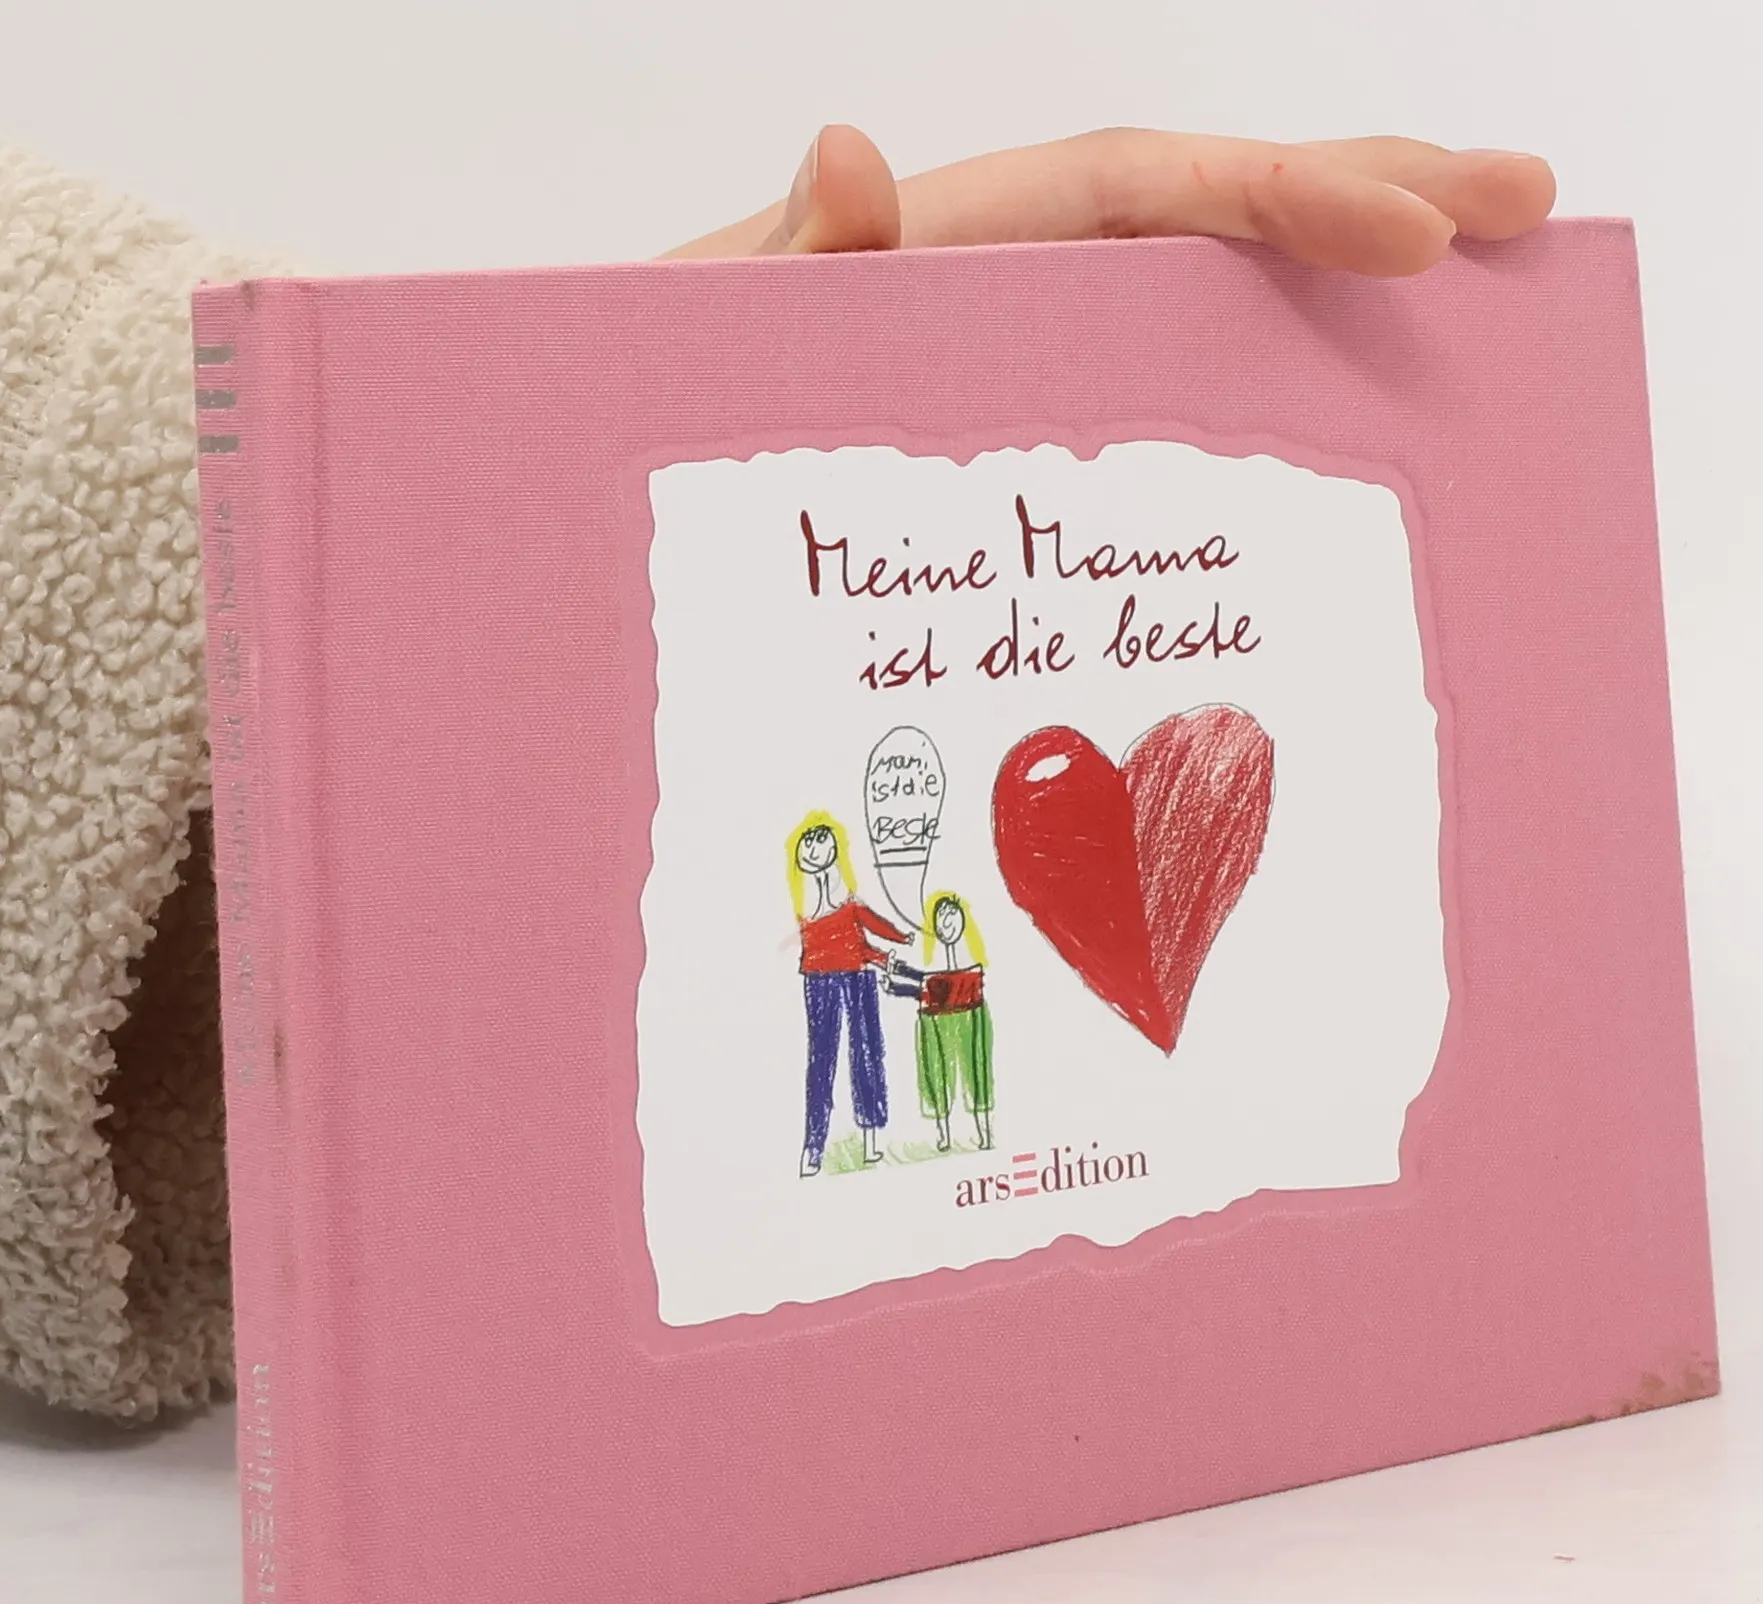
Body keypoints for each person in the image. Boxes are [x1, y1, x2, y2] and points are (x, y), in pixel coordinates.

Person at [0, 125, 1555, 1417]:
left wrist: (389, 554)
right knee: (853, 1091)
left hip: (917, 1004)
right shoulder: (850, 908)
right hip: (851, 1010)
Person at [791, 814, 913, 1176]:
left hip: (856, 977)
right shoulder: (806, 906)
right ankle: (814, 1146)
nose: (815, 849)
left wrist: (895, 945)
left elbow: (865, 936)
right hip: (819, 981)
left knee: (866, 1053)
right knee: (822, 1059)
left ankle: (870, 1138)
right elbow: (849, 943)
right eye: (810, 845)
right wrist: (885, 953)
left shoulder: (847, 901)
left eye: (821, 843)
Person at [909, 894, 995, 1155]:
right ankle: (945, 1135)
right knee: (939, 1076)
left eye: (952, 915)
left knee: (976, 1074)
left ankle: (984, 1134)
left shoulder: (972, 969)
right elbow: (924, 990)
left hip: (969, 1015)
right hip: (937, 1019)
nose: (948, 921)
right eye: (942, 917)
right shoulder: (933, 971)